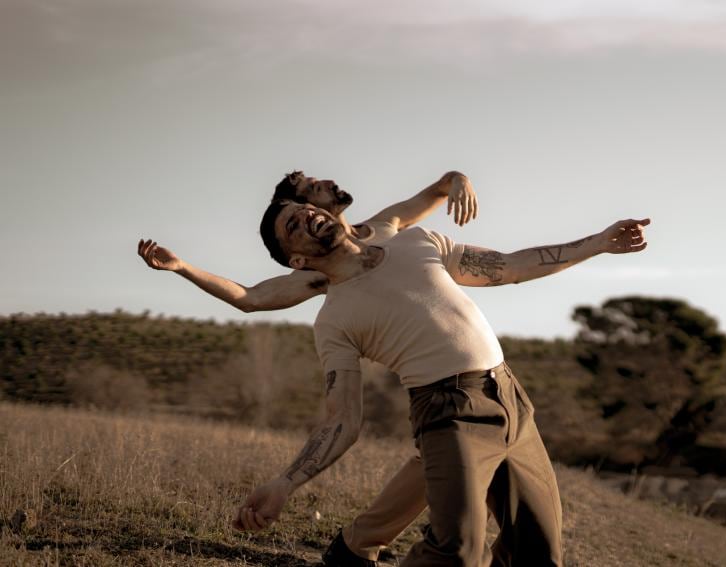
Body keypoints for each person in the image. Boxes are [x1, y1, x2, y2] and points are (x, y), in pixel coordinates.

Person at [235, 193, 649, 566]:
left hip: (511, 398)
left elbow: (512, 265)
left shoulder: (417, 243)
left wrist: (596, 243)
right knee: (457, 553)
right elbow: (341, 418)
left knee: (538, 553)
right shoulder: (335, 320)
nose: (308, 217)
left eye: (308, 210)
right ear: (297, 261)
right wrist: (286, 483)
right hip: (450, 412)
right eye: (293, 225)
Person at [138, 170, 478, 566]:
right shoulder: (319, 270)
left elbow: (434, 191)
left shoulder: (383, 225)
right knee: (452, 453)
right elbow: (251, 297)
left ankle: (356, 546)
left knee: (441, 457)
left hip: (469, 358)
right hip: (434, 375)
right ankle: (362, 545)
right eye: (313, 191)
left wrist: (458, 179)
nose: (329, 185)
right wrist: (183, 268)